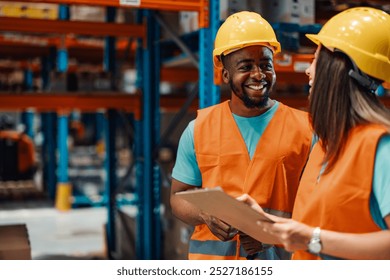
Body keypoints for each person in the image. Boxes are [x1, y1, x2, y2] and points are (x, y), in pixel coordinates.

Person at [239, 7, 390, 260]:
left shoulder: (379, 146)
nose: (308, 72)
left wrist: (313, 239)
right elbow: (316, 228)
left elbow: (315, 237)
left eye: (315, 60)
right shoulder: (326, 145)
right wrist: (264, 222)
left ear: (340, 67)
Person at [169, 11, 314, 260]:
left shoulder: (306, 129)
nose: (258, 75)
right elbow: (177, 197)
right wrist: (204, 215)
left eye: (266, 65)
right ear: (226, 75)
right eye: (246, 67)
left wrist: (272, 231)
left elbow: (320, 206)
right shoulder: (198, 129)